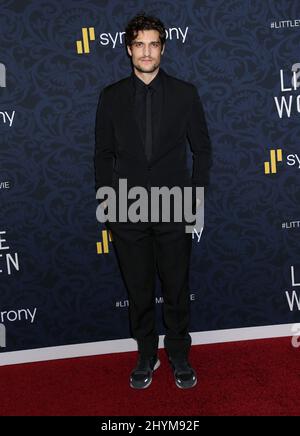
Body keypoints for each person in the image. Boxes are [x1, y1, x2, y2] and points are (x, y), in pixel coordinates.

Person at [94, 12, 212, 389]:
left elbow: (203, 151)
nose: (147, 52)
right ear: (129, 50)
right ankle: (147, 354)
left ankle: (178, 354)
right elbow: (102, 154)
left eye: (153, 44)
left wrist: (194, 200)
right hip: (126, 207)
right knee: (138, 287)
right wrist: (108, 204)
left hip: (174, 204)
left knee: (177, 286)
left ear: (163, 48)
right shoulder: (110, 97)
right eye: (139, 45)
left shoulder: (185, 93)